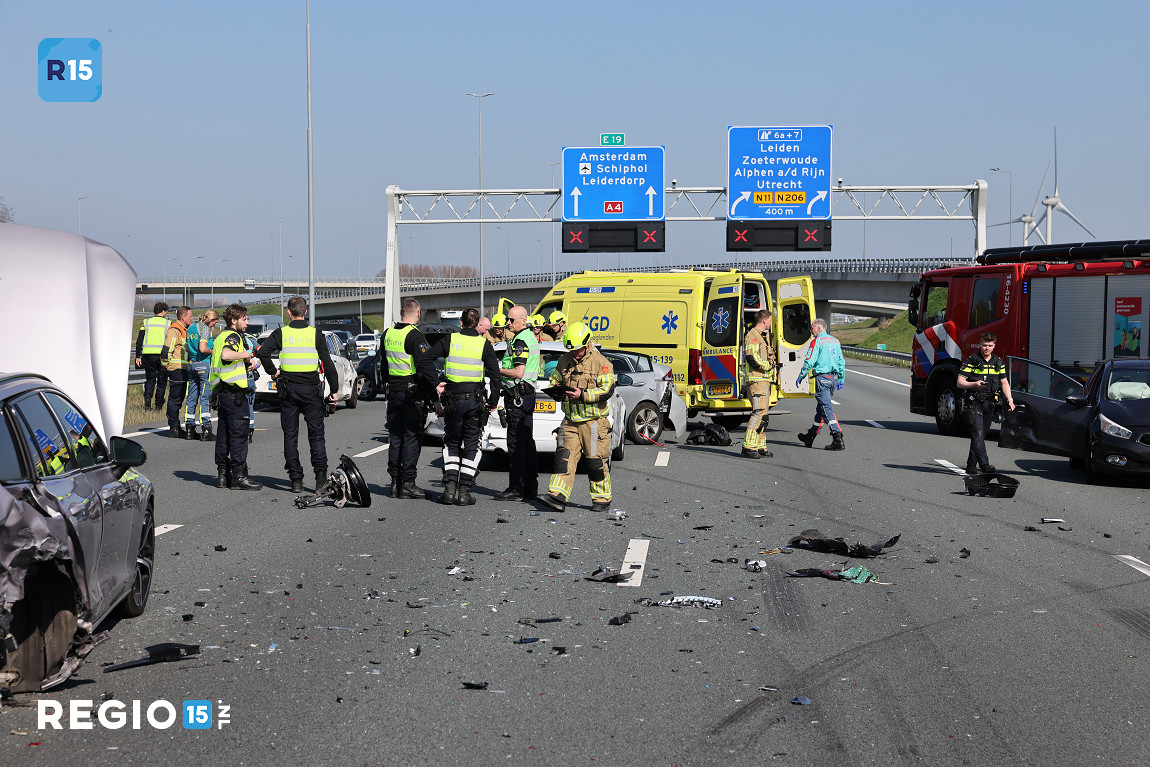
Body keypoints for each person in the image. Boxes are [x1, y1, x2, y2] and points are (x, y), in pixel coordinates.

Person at [256, 296, 338, 494]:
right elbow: (328, 363)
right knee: (316, 436)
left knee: (290, 436)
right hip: (311, 391)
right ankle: (320, 480)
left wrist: (272, 372)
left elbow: (263, 353)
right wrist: (334, 390)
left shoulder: (281, 333)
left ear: (288, 312)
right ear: (306, 312)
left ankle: (296, 480)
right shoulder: (315, 333)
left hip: (288, 391)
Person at [537, 322, 617, 513]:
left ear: (587, 344)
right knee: (563, 459)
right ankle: (557, 497)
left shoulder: (602, 364)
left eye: (578, 350)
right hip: (571, 421)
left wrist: (581, 395)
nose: (575, 354)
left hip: (594, 422)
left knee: (595, 462)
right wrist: (556, 388)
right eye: (572, 350)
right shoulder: (564, 360)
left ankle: (602, 498)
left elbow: (606, 390)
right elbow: (555, 378)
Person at [426, 308, 500, 506]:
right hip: (475, 400)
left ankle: (449, 490)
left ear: (461, 323)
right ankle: (464, 492)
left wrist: (436, 383)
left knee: (451, 442)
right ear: (477, 325)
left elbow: (424, 360)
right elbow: (495, 374)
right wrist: (493, 400)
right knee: (471, 444)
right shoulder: (484, 343)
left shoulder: (450, 340)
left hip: (452, 400)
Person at [381, 298, 438, 499]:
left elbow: (383, 366)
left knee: (395, 438)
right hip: (412, 394)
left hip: (393, 393)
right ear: (419, 313)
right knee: (411, 437)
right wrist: (435, 393)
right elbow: (424, 368)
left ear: (400, 312)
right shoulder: (415, 335)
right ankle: (408, 483)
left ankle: (395, 483)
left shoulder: (387, 334)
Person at [210, 303, 262, 490]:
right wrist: (247, 356)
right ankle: (239, 477)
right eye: (244, 319)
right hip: (234, 394)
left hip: (222, 393)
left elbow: (223, 363)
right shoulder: (233, 336)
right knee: (239, 436)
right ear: (234, 320)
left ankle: (223, 476)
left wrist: (243, 363)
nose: (247, 323)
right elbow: (226, 355)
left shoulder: (220, 336)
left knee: (223, 436)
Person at [494, 306, 540, 502]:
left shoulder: (520, 341)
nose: (508, 323)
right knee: (527, 443)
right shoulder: (529, 337)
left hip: (517, 398)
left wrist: (497, 369)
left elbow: (518, 372)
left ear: (523, 320)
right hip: (525, 397)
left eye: (512, 320)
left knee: (515, 444)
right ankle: (530, 487)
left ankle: (515, 488)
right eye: (508, 319)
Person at [957, 331, 1015, 474]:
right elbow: (959, 382)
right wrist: (974, 384)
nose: (986, 348)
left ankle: (971, 466)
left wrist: (1010, 400)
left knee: (981, 435)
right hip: (974, 403)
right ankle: (985, 466)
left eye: (990, 345)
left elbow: (1004, 383)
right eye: (984, 345)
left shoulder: (998, 362)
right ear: (980, 344)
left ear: (994, 346)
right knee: (978, 433)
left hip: (990, 404)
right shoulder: (971, 360)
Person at [796, 318, 847, 451]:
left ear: (819, 328)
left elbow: (810, 360)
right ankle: (810, 435)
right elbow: (841, 361)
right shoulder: (835, 341)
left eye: (812, 327)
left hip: (823, 378)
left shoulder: (817, 341)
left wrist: (801, 375)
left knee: (826, 408)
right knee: (821, 409)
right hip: (833, 378)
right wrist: (841, 379)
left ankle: (837, 437)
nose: (810, 330)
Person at [742, 309, 777, 459]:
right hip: (756, 379)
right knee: (758, 412)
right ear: (764, 320)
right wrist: (768, 366)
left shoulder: (763, 336)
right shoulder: (753, 336)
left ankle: (760, 446)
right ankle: (748, 446)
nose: (770, 323)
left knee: (764, 415)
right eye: (769, 320)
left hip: (764, 380)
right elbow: (752, 358)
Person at [184, 309, 221, 441]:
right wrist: (214, 352)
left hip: (192, 364)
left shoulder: (191, 328)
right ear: (210, 320)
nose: (214, 326)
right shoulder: (204, 329)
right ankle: (206, 429)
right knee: (205, 397)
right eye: (214, 323)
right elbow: (203, 348)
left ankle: (189, 428)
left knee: (191, 397)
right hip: (204, 365)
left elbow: (186, 346)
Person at [160, 306, 194, 438]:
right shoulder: (175, 330)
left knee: (179, 398)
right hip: (176, 368)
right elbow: (167, 348)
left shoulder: (185, 330)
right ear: (183, 317)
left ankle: (176, 425)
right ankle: (174, 427)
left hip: (184, 368)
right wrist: (166, 365)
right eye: (190, 316)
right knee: (175, 399)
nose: (192, 319)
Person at [134, 302, 170, 411]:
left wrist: (137, 356)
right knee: (161, 381)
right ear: (163, 311)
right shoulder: (168, 323)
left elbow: (139, 341)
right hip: (162, 355)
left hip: (148, 355)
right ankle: (158, 405)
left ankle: (148, 400)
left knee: (150, 380)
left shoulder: (146, 322)